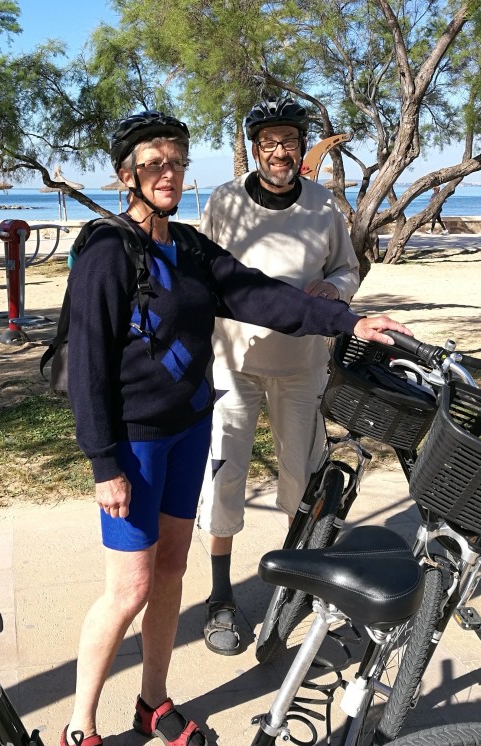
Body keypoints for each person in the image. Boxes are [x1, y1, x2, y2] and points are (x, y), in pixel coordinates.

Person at [61, 109, 411, 746]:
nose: (168, 174)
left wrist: (349, 319)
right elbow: (86, 364)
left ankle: (153, 700)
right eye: (154, 163)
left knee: (170, 571)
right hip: (134, 442)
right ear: (127, 174)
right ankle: (78, 730)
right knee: (128, 589)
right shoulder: (107, 251)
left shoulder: (191, 247)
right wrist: (103, 463)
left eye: (177, 161)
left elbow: (261, 296)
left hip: (189, 428)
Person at [194, 95, 359, 656]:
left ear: (301, 146)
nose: (279, 151)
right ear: (255, 148)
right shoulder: (225, 201)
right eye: (268, 142)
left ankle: (299, 586)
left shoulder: (323, 205)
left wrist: (335, 288)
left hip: (302, 364)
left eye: (288, 140)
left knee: (301, 477)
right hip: (233, 363)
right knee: (224, 474)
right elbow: (202, 272)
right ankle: (220, 594)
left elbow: (347, 267)